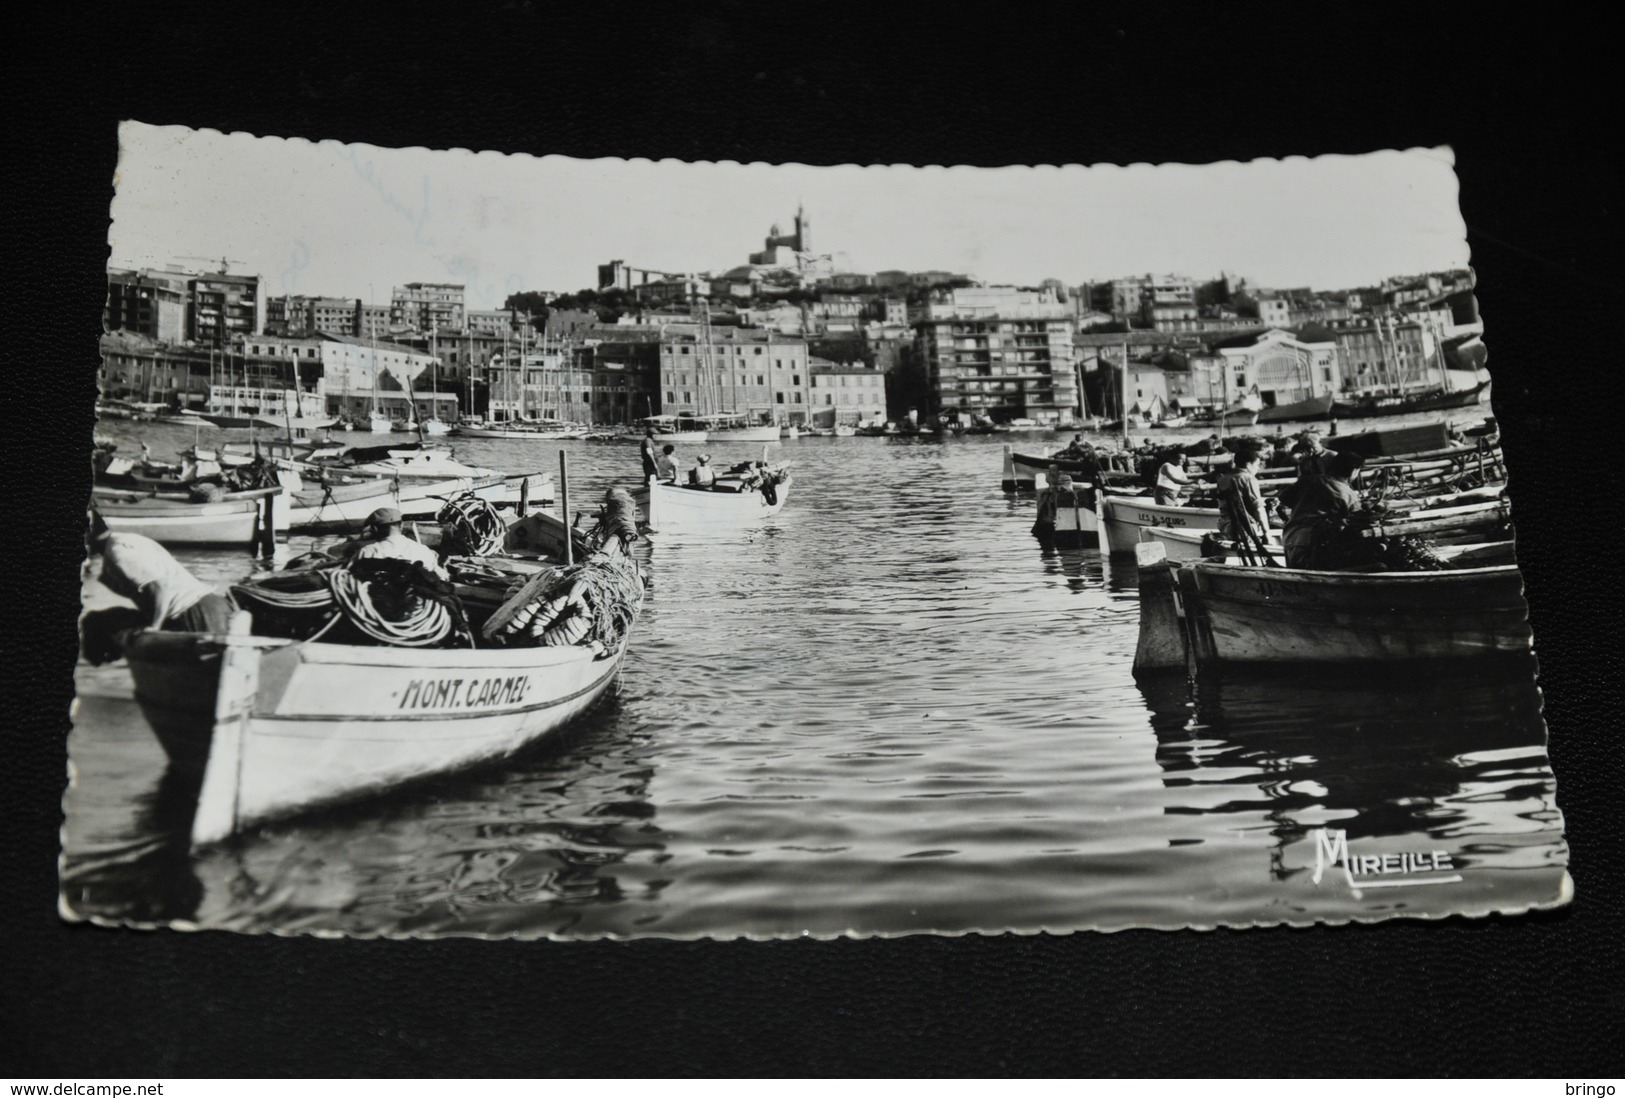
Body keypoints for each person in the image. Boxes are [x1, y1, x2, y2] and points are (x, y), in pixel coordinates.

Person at [88, 511, 235, 633]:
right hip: (210, 605)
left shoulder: (118, 553)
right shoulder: (128, 539)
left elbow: (161, 586)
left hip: (195, 612)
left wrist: (155, 626)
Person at [1279, 450, 1366, 568]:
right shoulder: (1347, 494)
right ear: (1354, 471)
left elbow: (1284, 499)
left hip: (1291, 537)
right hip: (1314, 543)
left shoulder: (1307, 480)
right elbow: (1358, 518)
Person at [350, 507, 448, 579]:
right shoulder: (424, 550)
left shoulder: (367, 552)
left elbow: (345, 578)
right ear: (401, 526)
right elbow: (442, 577)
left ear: (375, 529)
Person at [1216, 442, 1272, 548]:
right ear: (1248, 464)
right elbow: (1258, 509)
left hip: (1225, 526)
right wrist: (1267, 533)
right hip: (1245, 528)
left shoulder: (1223, 479)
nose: (1258, 468)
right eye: (1257, 465)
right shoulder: (1248, 479)